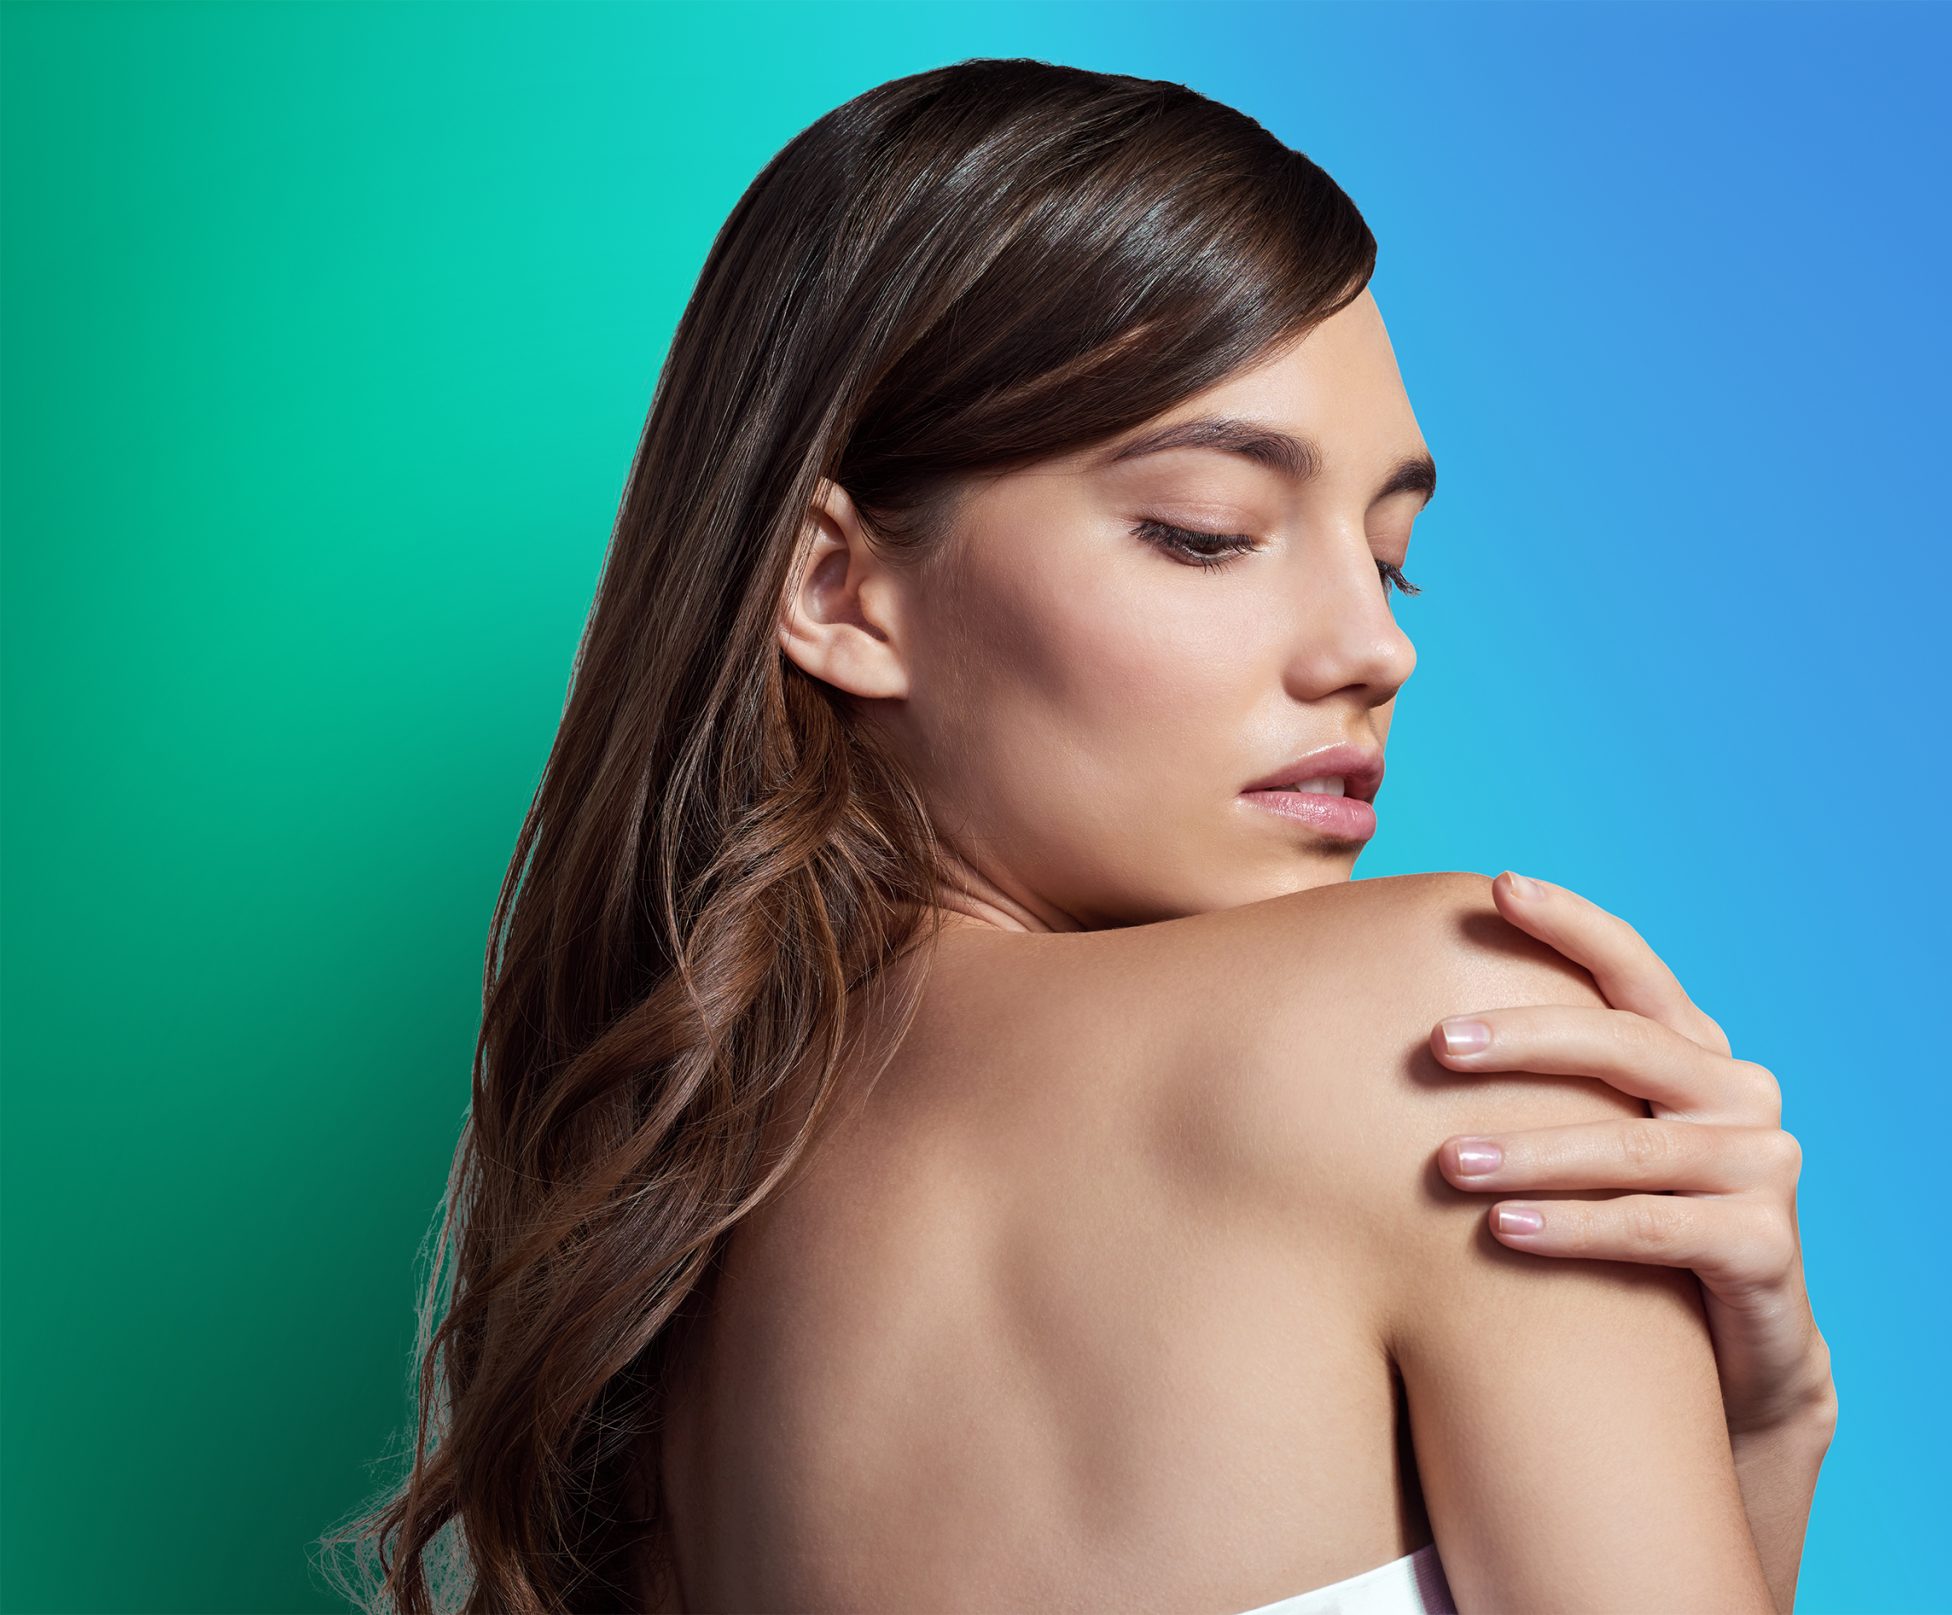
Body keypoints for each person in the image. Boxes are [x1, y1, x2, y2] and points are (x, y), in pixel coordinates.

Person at [320, 56, 1836, 1615]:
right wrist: (1772, 1427)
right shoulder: (1454, 1052)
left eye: (1394, 561)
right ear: (836, 590)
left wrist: (1758, 1436)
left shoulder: (671, 1322)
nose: (1373, 648)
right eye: (1208, 533)